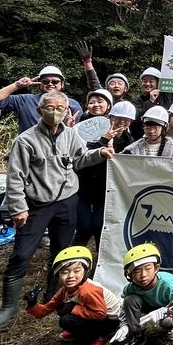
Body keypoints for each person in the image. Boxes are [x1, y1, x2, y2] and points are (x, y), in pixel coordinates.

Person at [0, 92, 113, 331]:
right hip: (36, 205)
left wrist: (99, 154)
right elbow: (15, 178)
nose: (55, 111)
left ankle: (55, 296)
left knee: (61, 252)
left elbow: (79, 159)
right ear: (39, 110)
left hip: (67, 202)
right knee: (22, 253)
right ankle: (9, 307)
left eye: (60, 108)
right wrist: (18, 208)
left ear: (67, 110)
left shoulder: (71, 134)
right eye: (50, 107)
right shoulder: (26, 140)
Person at [23, 246, 121, 345]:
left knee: (66, 319)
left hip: (110, 321)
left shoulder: (88, 290)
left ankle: (101, 337)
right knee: (62, 309)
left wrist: (74, 309)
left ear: (85, 271)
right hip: (96, 315)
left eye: (77, 271)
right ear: (58, 275)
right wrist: (33, 304)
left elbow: (100, 314)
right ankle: (85, 330)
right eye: (64, 272)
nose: (70, 276)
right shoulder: (65, 290)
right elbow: (44, 310)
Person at [116, 243, 173, 345]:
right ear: (129, 274)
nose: (143, 275)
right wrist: (124, 325)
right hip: (147, 307)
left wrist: (162, 312)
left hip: (168, 308)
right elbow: (124, 308)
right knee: (129, 300)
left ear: (156, 268)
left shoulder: (167, 284)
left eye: (148, 268)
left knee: (167, 322)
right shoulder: (130, 288)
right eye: (137, 271)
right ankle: (137, 335)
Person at [72, 89, 114, 258]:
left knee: (99, 227)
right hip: (80, 184)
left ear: (109, 105)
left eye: (100, 101)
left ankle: (100, 266)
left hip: (105, 186)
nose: (96, 105)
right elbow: (78, 154)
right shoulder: (78, 125)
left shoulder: (117, 124)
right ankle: (70, 265)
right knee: (83, 228)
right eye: (92, 102)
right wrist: (103, 141)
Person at [0, 65, 82, 133]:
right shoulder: (25, 100)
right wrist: (17, 85)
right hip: (29, 150)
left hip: (59, 152)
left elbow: (79, 131)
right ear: (39, 83)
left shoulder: (72, 104)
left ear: (62, 84)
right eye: (45, 81)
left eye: (55, 82)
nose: (50, 84)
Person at [73, 41, 132, 105]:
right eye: (112, 83)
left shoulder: (130, 105)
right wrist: (87, 62)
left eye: (120, 83)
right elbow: (93, 81)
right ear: (107, 87)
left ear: (125, 88)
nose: (116, 85)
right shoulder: (102, 98)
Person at [132, 67, 173, 139]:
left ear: (158, 83)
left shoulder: (166, 97)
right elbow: (137, 119)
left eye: (151, 81)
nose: (147, 84)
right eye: (145, 81)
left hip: (165, 137)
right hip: (143, 137)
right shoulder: (138, 100)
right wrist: (151, 101)